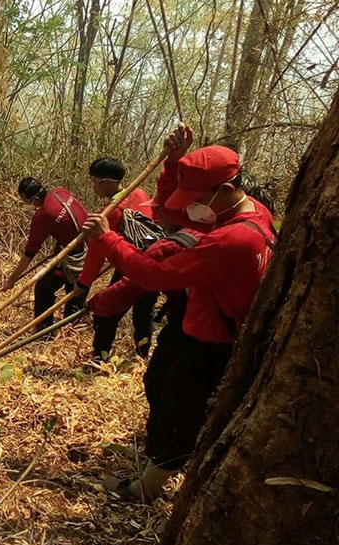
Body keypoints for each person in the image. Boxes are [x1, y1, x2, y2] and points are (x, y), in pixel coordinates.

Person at [81, 124, 276, 500]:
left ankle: (148, 486)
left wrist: (106, 238)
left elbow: (154, 275)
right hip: (190, 324)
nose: (189, 205)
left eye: (196, 195)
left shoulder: (233, 239)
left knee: (179, 407)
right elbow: (173, 212)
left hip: (212, 341)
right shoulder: (241, 214)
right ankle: (159, 453)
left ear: (225, 189)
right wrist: (172, 164)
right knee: (158, 383)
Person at [74, 158, 157, 359]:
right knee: (143, 313)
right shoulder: (139, 193)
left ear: (106, 181)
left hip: (131, 267)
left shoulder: (109, 213)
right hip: (153, 261)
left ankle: (100, 357)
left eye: (94, 181)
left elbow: (95, 254)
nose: (93, 187)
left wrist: (82, 284)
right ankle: (141, 354)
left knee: (106, 314)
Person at [2, 177, 89, 333]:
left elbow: (29, 253)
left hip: (77, 258)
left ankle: (45, 333)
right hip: (88, 247)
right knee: (71, 295)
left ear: (34, 199)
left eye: (25, 201)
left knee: (45, 289)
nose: (26, 205)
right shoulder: (60, 192)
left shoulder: (43, 216)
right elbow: (69, 222)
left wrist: (11, 280)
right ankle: (66, 330)